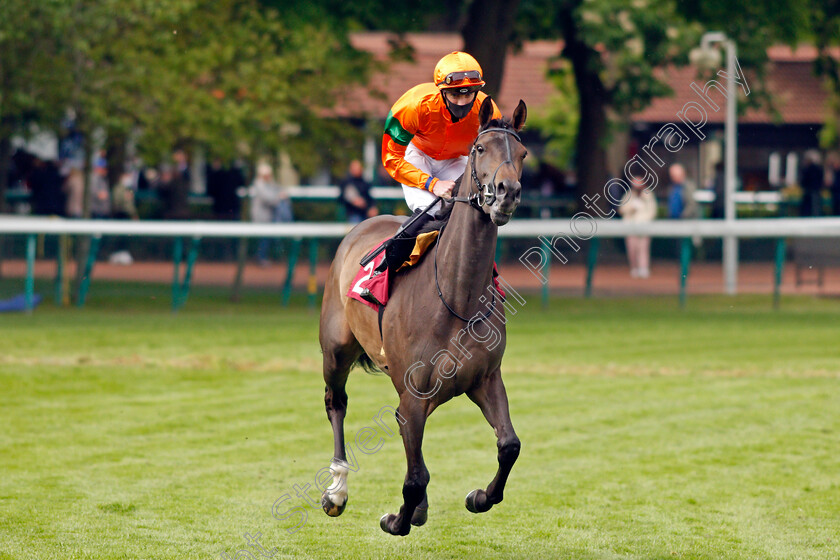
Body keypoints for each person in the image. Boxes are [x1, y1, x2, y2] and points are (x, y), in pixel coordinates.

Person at [251, 162, 291, 266]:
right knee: (264, 238)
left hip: (267, 217)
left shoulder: (268, 184)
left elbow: (278, 189)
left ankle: (263, 257)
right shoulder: (259, 185)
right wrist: (279, 197)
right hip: (261, 217)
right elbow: (268, 199)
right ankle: (261, 258)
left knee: (266, 239)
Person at [619, 174, 658, 278]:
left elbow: (652, 211)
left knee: (643, 248)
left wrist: (645, 221)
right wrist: (632, 208)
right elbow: (622, 209)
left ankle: (643, 268)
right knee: (632, 248)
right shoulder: (629, 195)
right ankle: (634, 268)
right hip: (631, 226)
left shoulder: (648, 194)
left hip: (644, 226)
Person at [339, 159, 378, 224]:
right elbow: (342, 198)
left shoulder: (365, 183)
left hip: (365, 213)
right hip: (353, 213)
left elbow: (369, 198)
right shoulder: (346, 182)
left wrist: (372, 207)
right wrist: (353, 201)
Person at [800, 150, 824, 217]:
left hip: (810, 189)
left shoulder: (808, 169)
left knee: (811, 205)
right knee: (815, 205)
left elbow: (804, 179)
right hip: (815, 189)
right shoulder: (818, 168)